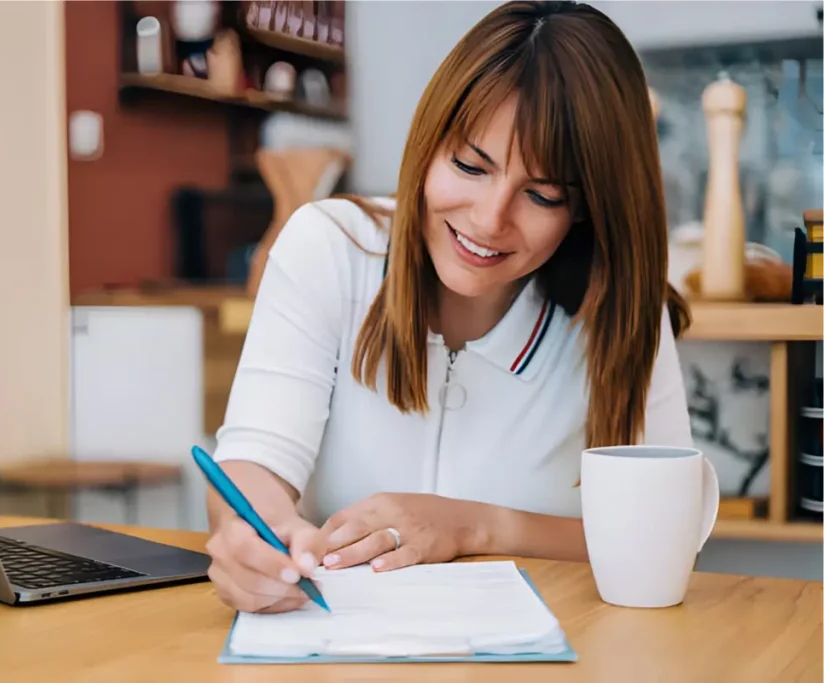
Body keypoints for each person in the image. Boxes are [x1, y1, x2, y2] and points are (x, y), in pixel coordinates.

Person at [204, 0, 694, 614]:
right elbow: (255, 463)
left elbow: (666, 536)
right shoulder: (329, 248)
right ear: (428, 143)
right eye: (470, 165)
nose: (489, 221)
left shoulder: (622, 312)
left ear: (588, 208)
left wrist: (475, 526)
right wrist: (253, 536)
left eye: (542, 195)